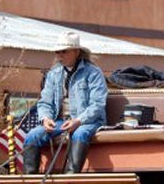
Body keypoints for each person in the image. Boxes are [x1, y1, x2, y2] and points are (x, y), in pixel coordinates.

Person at [21, 32, 108, 175]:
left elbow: (98, 104)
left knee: (79, 133)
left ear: (76, 52)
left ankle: (70, 177)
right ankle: (30, 182)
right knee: (32, 135)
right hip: (61, 122)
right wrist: (45, 119)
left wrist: (78, 121)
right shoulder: (53, 74)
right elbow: (44, 102)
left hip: (89, 121)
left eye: (64, 52)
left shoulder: (93, 72)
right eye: (57, 52)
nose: (60, 55)